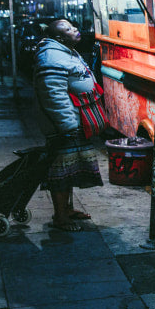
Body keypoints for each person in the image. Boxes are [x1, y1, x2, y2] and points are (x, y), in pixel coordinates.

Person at [34, 19, 102, 231]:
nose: (76, 30)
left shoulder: (66, 51)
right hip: (65, 125)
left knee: (72, 169)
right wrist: (67, 125)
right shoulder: (52, 57)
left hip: (75, 121)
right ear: (60, 37)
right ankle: (61, 216)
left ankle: (68, 209)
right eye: (69, 29)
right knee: (62, 171)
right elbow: (53, 95)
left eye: (74, 26)